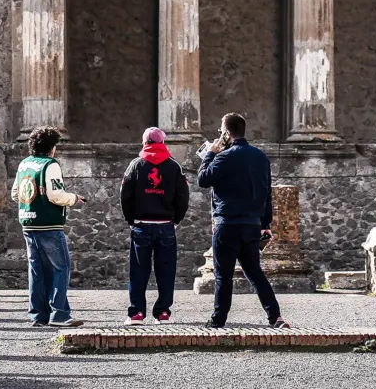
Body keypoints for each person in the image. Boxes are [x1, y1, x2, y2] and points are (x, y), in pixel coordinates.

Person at [196, 113, 288, 329]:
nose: (220, 134)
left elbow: (203, 179)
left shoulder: (223, 157)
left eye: (221, 130)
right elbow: (267, 194)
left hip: (227, 225)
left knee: (223, 275)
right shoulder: (261, 157)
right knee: (255, 272)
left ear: (227, 133)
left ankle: (218, 320)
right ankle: (275, 317)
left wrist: (209, 153)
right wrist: (266, 225)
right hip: (252, 225)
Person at [14, 125, 86, 328]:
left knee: (37, 270)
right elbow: (56, 195)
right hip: (48, 224)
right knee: (60, 268)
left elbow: (15, 193)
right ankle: (60, 315)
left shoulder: (24, 164)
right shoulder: (50, 164)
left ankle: (38, 315)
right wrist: (73, 198)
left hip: (28, 222)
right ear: (52, 147)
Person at [119, 126, 190, 323]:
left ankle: (137, 313)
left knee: (138, 270)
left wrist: (131, 220)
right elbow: (183, 197)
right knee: (166, 270)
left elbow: (125, 196)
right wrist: (176, 219)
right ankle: (163, 312)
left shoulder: (136, 165)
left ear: (145, 142)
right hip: (165, 225)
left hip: (142, 224)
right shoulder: (174, 166)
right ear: (162, 143)